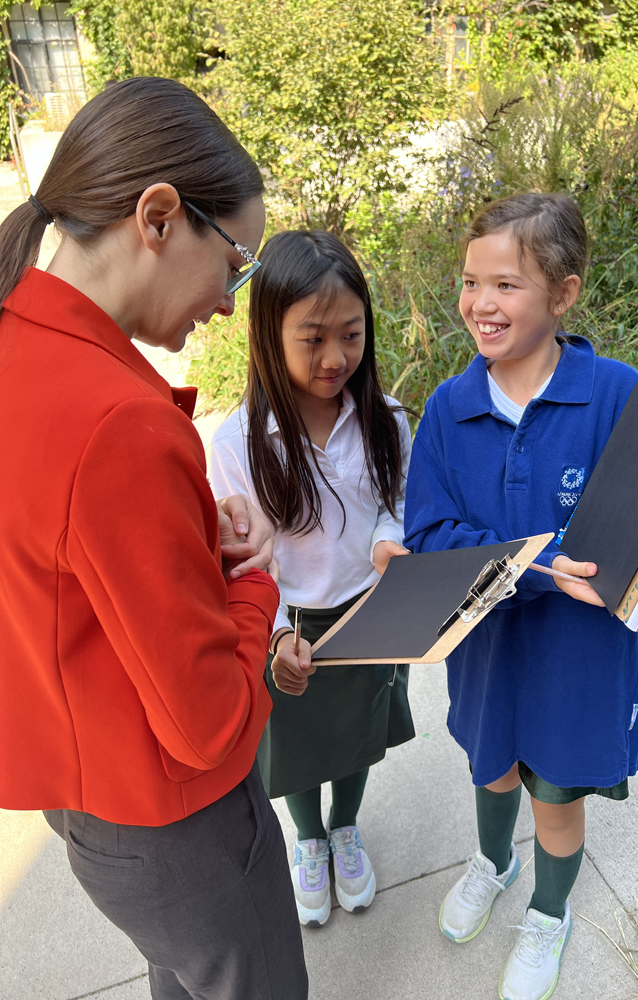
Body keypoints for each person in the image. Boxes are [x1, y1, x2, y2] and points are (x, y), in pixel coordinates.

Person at [0, 77, 308, 1000]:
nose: (228, 303)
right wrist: (255, 582)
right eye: (238, 264)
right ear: (160, 216)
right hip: (177, 824)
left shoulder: (20, 344)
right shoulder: (116, 421)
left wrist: (179, 546)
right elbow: (210, 722)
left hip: (85, 790)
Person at [402, 193, 638, 1000]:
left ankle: (549, 912)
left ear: (565, 292)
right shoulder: (448, 409)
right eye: (470, 281)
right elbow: (427, 542)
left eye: (506, 284)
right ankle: (491, 862)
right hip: (483, 653)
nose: (480, 302)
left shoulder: (623, 396)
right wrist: (538, 568)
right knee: (492, 771)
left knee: (555, 795)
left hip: (580, 664)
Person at [210, 229, 415, 928]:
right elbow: (240, 563)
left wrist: (388, 545)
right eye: (313, 339)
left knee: (358, 736)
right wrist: (271, 640)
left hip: (368, 614)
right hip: (291, 626)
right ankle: (308, 838)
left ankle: (346, 827)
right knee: (295, 747)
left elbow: (394, 503)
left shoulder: (385, 419)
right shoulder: (236, 443)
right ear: (270, 334)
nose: (336, 358)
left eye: (352, 335)